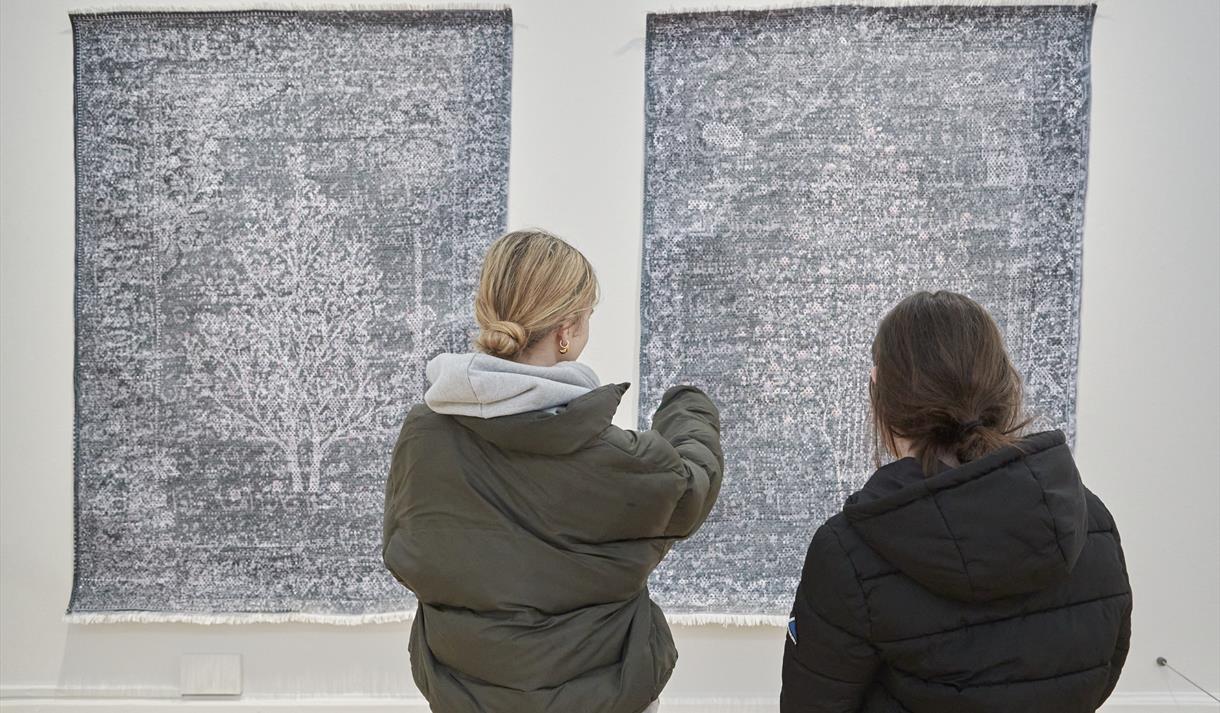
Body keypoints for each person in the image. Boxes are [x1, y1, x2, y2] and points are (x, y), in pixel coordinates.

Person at [382, 229, 723, 713]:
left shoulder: (423, 434)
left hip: (464, 693)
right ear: (566, 331)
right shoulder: (609, 456)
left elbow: (404, 550)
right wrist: (687, 408)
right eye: (585, 320)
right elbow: (689, 490)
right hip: (604, 693)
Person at [781, 290, 1132, 713]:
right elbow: (1101, 676)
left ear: (882, 395)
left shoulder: (846, 554)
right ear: (1004, 386)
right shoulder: (1090, 521)